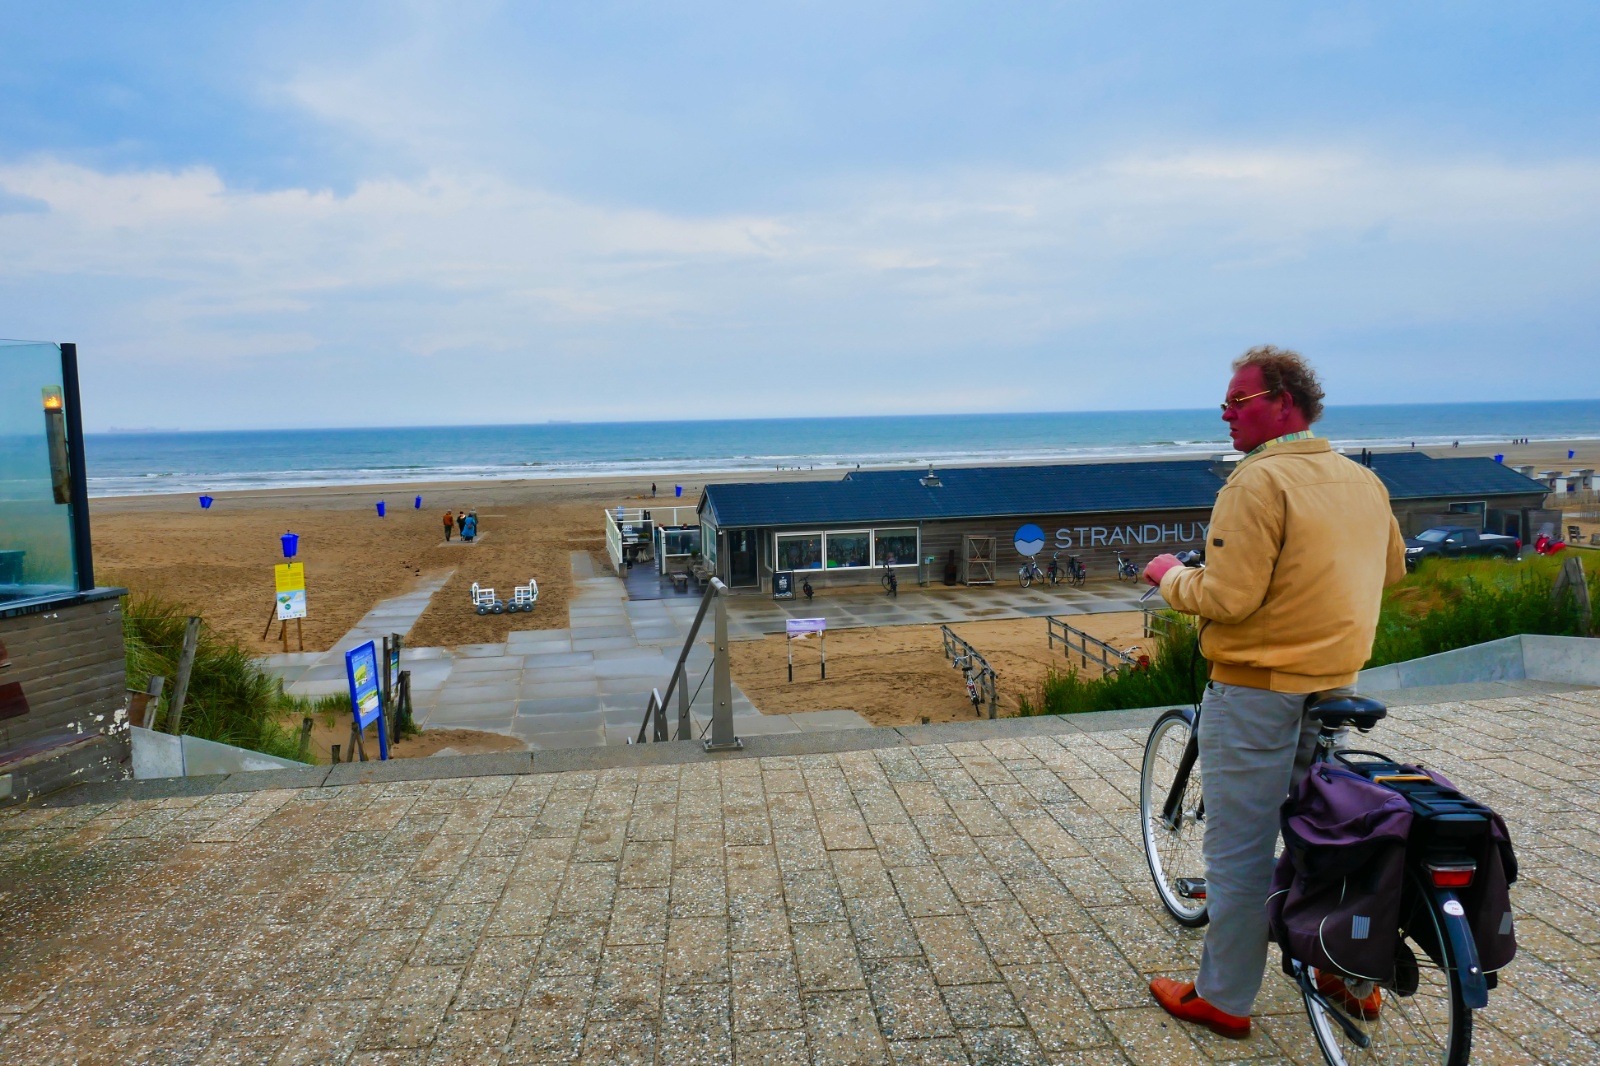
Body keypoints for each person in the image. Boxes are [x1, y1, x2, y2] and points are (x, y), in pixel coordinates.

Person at [1140, 346, 1406, 1039]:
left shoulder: (1256, 483)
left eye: (1239, 401)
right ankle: (1341, 969)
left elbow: (1226, 598)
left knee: (1238, 848)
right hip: (1335, 681)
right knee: (1326, 830)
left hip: (1258, 689)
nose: (1225, 413)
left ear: (1284, 400)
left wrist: (1170, 575)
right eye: (1225, 403)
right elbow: (1391, 572)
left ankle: (1224, 999)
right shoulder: (1360, 481)